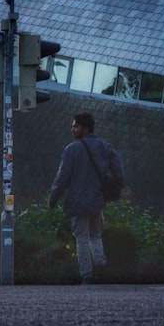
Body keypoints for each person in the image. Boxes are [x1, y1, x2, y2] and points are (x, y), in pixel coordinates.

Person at [49, 112, 110, 284]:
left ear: (85, 128)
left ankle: (87, 275)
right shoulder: (104, 147)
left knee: (82, 237)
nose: (72, 129)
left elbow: (62, 178)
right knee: (96, 235)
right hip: (98, 201)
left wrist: (53, 198)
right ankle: (100, 264)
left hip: (79, 201)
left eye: (75, 126)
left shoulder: (72, 150)